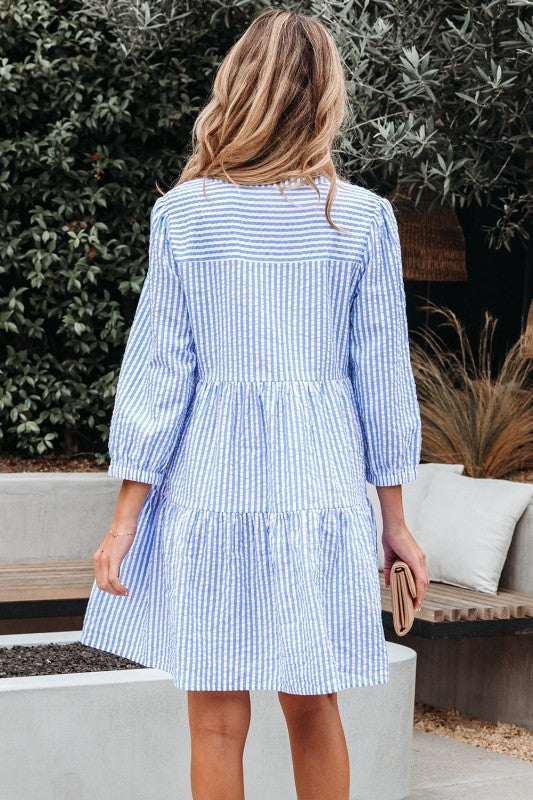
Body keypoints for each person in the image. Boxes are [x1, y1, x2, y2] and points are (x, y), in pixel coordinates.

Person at [80, 8, 429, 800]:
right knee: (312, 704)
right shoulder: (362, 219)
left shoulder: (185, 213)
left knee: (214, 719)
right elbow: (382, 379)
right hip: (318, 488)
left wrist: (125, 519)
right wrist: (395, 522)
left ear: (234, 87)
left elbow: (160, 374)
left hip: (210, 486)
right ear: (327, 97)